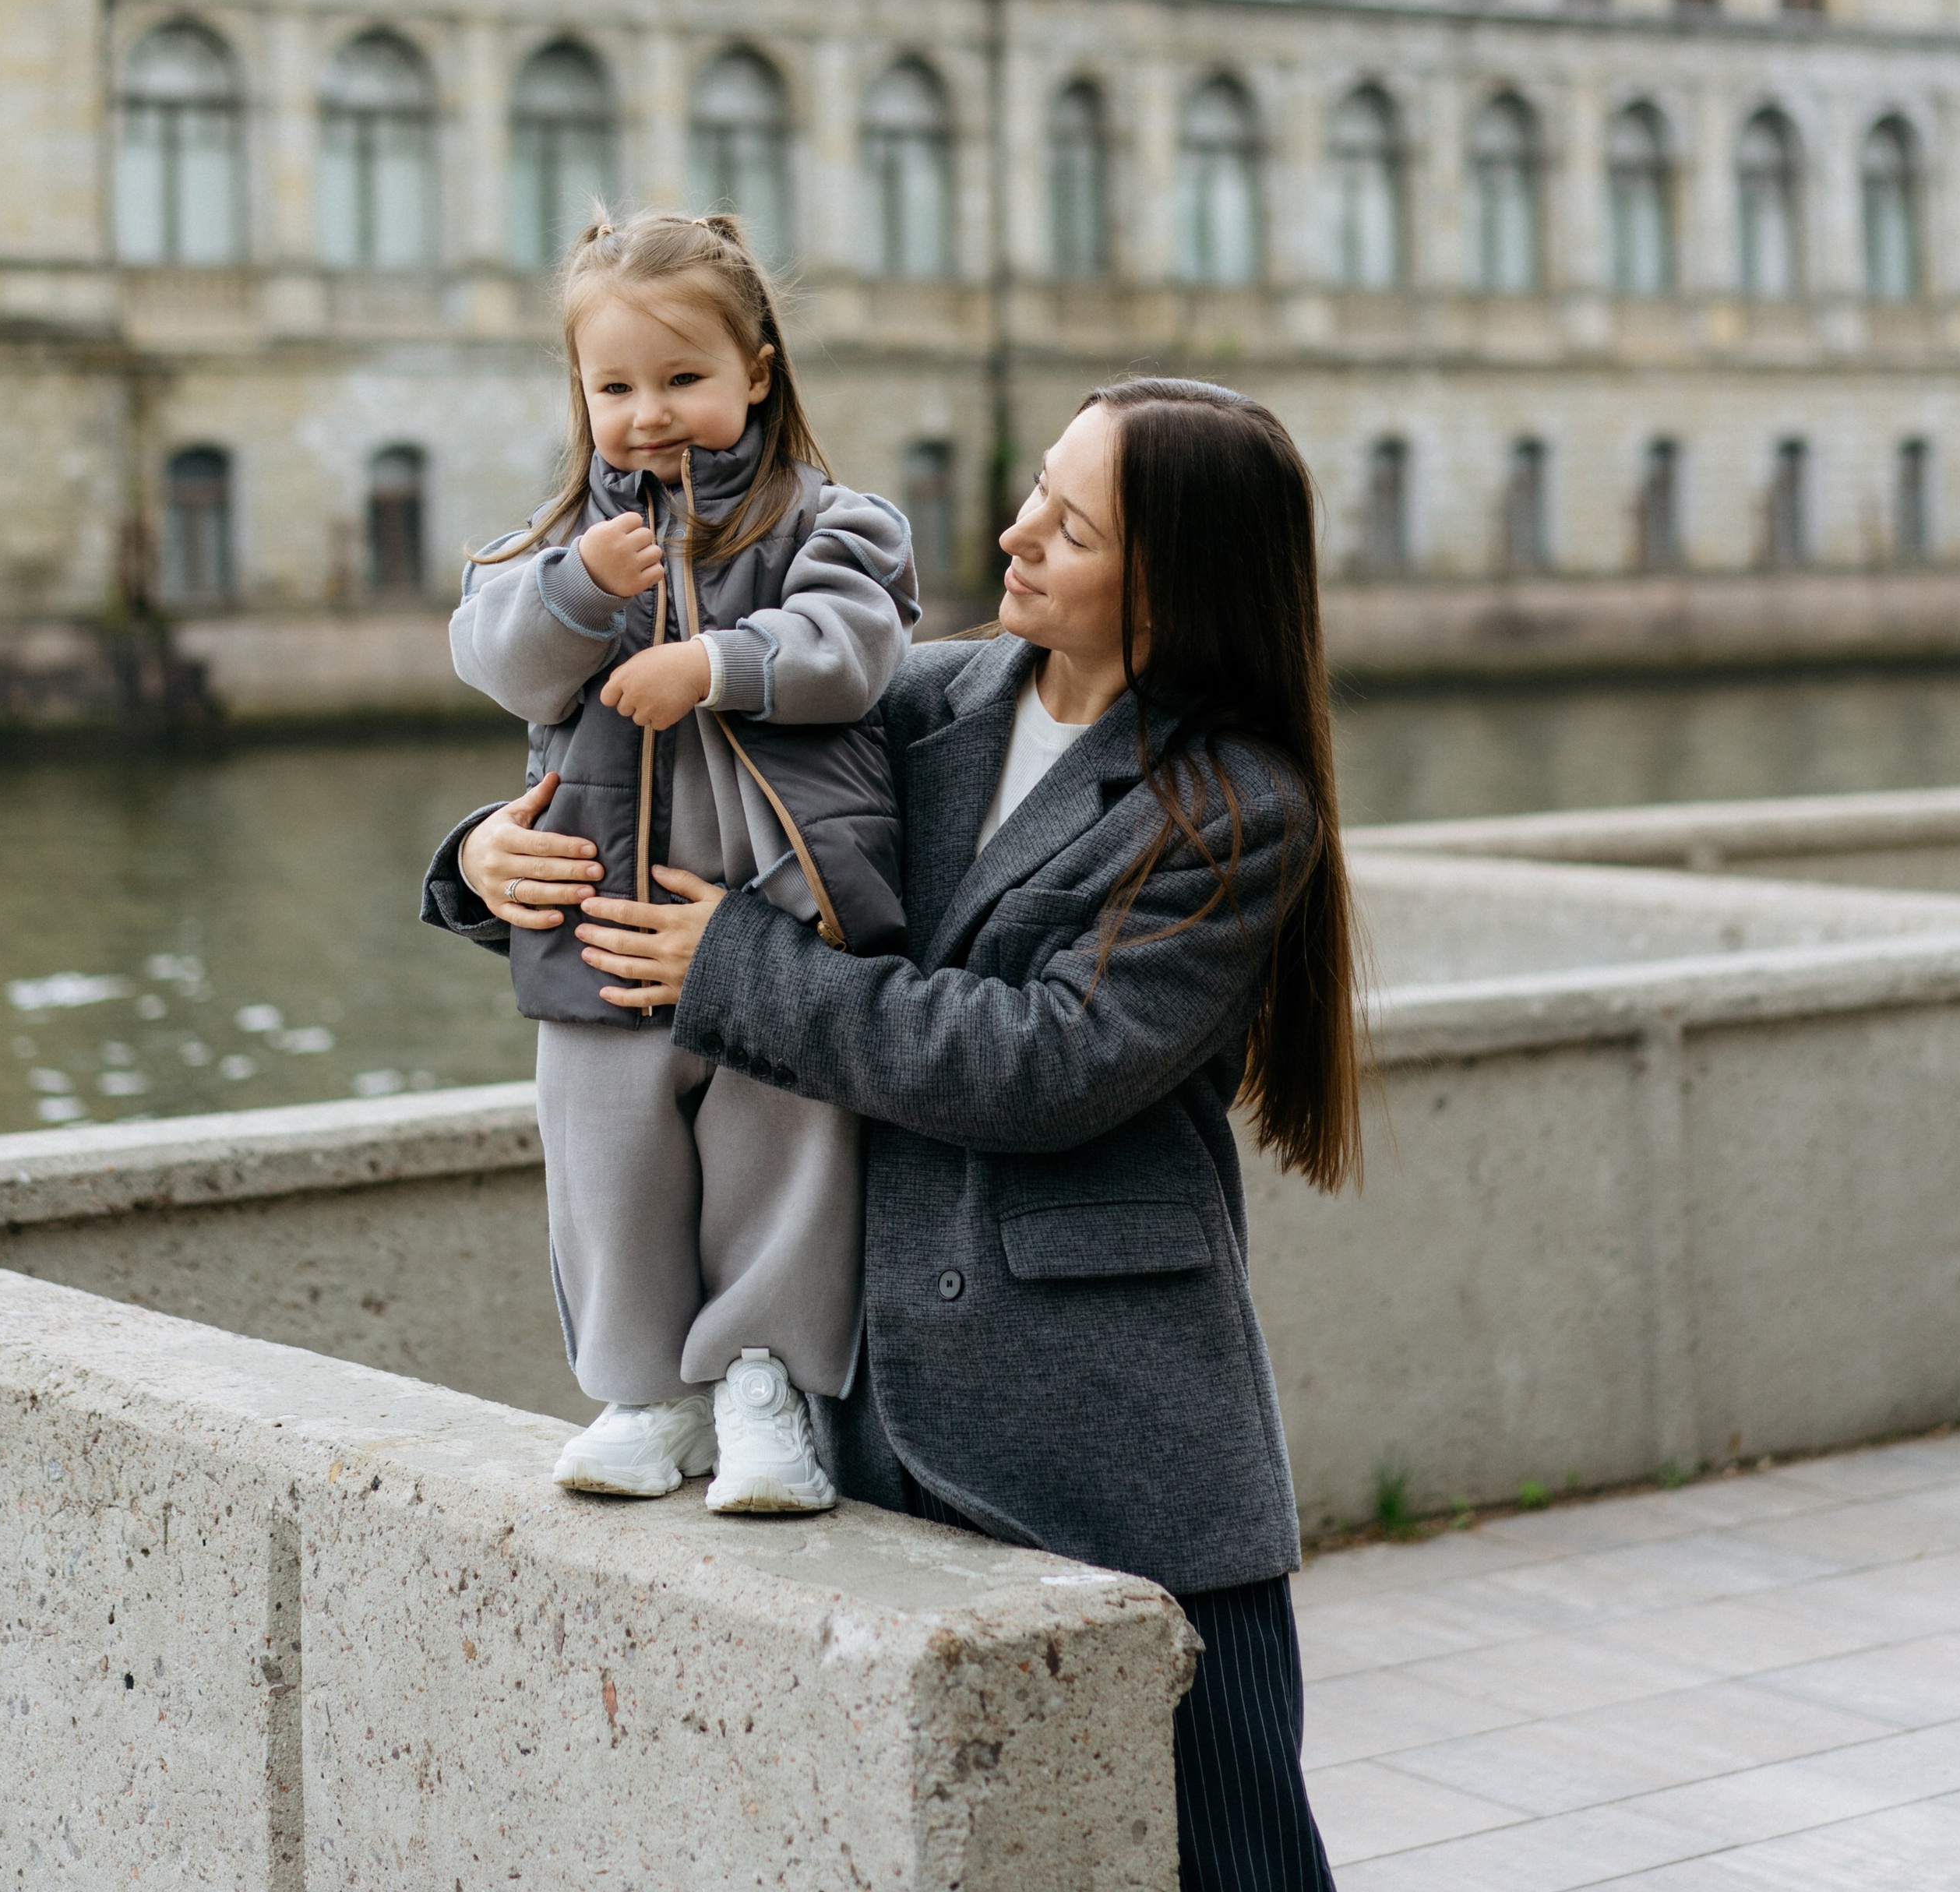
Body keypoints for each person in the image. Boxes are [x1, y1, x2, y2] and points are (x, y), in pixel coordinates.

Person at [447, 375, 1358, 1892]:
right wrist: (486, 863)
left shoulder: (1230, 807)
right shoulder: (925, 700)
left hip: (1116, 1447)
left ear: (1174, 581)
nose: (1011, 535)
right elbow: (693, 821)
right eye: (1031, 492)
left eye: (1066, 525)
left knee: (1233, 1858)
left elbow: (1041, 1064)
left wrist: (738, 972)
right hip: (871, 1427)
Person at [426, 207, 917, 1516]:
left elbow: (855, 648)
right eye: (616, 386)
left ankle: (764, 1385)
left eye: (684, 379)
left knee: (785, 1149)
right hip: (600, 917)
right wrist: (583, 591)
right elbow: (496, 661)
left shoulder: (833, 520)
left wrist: (718, 661)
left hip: (779, 907)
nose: (649, 413)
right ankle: (644, 1390)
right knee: (604, 1152)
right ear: (579, 394)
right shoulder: (547, 548)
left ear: (758, 369)